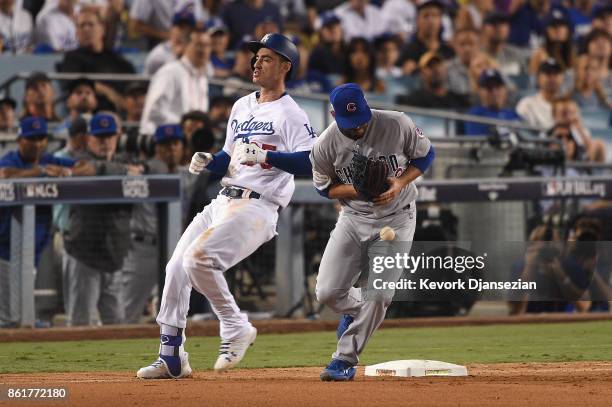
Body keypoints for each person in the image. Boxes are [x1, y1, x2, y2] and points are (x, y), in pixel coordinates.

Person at [137, 33, 316, 379]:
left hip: (257, 207)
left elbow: (311, 162)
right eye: (255, 57)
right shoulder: (241, 105)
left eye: (265, 58)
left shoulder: (292, 113)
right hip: (223, 200)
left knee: (197, 260)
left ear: (284, 65)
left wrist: (268, 155)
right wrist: (210, 160)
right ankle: (172, 356)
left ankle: (235, 326)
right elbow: (229, 157)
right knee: (176, 268)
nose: (256, 63)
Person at [310, 83, 434, 381]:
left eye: (362, 120)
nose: (358, 128)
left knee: (378, 294)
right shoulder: (324, 145)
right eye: (350, 124)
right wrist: (359, 189)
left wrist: (398, 184)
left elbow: (425, 156)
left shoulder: (397, 123)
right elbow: (325, 188)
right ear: (333, 114)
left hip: (397, 217)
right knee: (327, 291)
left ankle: (343, 360)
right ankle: (357, 312)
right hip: (353, 217)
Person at [0, 117, 93, 328]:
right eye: (32, 138)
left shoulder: (50, 159)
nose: (37, 143)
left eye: (41, 138)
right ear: (20, 140)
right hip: (6, 248)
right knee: (8, 316)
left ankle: (27, 328)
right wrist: (39, 173)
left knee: (19, 307)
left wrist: (68, 172)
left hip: (34, 245)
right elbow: (4, 174)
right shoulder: (12, 159)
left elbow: (87, 167)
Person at [62, 113, 144, 326]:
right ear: (89, 138)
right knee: (81, 324)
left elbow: (147, 170)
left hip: (115, 255)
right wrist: (124, 172)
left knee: (116, 324)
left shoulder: (125, 161)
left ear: (118, 137)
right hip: (84, 254)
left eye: (109, 136)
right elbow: (83, 170)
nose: (105, 142)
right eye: (99, 137)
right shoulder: (79, 159)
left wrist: (124, 170)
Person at [123, 124, 185, 324]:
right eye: (165, 145)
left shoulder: (189, 174)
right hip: (144, 248)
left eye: (175, 143)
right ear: (156, 148)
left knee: (174, 312)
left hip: (176, 248)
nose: (171, 149)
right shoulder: (144, 171)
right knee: (127, 310)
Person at [56, 8, 136, 111]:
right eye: (82, 26)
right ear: (76, 32)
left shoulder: (118, 60)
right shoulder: (72, 58)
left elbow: (132, 86)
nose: (86, 29)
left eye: (90, 24)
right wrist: (108, 92)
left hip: (118, 114)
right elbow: (77, 84)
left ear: (103, 29)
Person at [140, 29, 212, 136]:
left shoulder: (203, 78)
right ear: (185, 46)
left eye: (207, 45)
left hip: (186, 141)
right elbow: (154, 112)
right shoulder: (170, 72)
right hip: (158, 139)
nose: (203, 50)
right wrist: (184, 124)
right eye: (198, 45)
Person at [397, 0, 454, 76]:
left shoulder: (448, 51)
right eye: (426, 16)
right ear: (417, 20)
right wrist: (404, 72)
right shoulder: (407, 51)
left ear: (440, 21)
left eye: (435, 15)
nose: (431, 21)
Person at [397, 51, 469, 109]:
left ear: (445, 69)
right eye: (430, 66)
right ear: (422, 73)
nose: (436, 69)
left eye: (439, 65)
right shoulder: (413, 100)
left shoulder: (458, 100)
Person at [464, 69, 521, 136]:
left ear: (505, 89)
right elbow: (478, 144)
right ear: (479, 91)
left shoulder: (513, 113)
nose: (494, 92)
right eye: (489, 87)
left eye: (498, 86)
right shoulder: (475, 115)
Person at [129, 0, 206, 49]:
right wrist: (167, 35)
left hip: (188, 42)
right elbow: (135, 26)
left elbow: (199, 23)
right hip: (157, 42)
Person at [143, 10, 197, 76]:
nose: (185, 32)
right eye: (181, 27)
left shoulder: (199, 54)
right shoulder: (159, 55)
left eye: (189, 29)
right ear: (171, 29)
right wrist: (178, 57)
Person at [516, 58, 565, 129]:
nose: (552, 78)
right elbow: (522, 133)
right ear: (538, 78)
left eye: (556, 74)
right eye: (548, 74)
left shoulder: (568, 106)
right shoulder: (527, 104)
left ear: (562, 77)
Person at [481, 12, 528, 77]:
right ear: (483, 28)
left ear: (508, 29)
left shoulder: (516, 54)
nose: (498, 27)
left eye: (502, 23)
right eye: (493, 23)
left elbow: (525, 82)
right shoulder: (477, 55)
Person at [308, 12, 345, 77]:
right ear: (320, 32)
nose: (333, 30)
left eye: (336, 26)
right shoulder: (317, 53)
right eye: (329, 27)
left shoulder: (348, 49)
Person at [447, 27, 480, 97]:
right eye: (462, 44)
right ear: (455, 46)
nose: (467, 49)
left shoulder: (488, 67)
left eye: (471, 44)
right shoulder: (445, 69)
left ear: (478, 46)